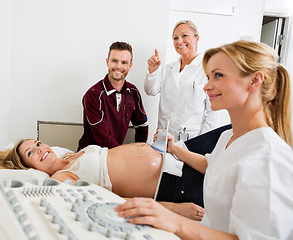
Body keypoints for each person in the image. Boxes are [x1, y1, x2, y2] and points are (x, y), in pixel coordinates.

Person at [115, 40, 293, 239]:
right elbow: (213, 165)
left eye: (218, 75)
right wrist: (175, 149)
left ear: (254, 80)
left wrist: (174, 220)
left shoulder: (268, 158)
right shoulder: (229, 136)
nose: (206, 86)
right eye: (208, 77)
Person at [0, 139, 204, 220]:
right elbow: (107, 202)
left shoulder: (67, 155)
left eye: (38, 144)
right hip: (173, 184)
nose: (40, 150)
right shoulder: (61, 178)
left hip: (177, 157)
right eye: (31, 153)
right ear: (29, 167)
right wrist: (171, 209)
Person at [144, 20, 221, 142]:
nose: (179, 41)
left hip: (191, 141)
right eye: (175, 38)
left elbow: (213, 113)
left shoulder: (207, 70)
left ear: (196, 38)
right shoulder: (168, 69)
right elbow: (150, 90)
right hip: (163, 138)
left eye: (184, 36)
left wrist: (201, 142)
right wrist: (153, 71)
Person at [77, 41, 148, 151]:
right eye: (114, 61)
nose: (118, 66)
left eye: (124, 62)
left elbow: (141, 125)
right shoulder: (94, 94)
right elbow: (102, 137)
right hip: (91, 155)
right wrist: (124, 155)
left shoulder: (133, 92)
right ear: (107, 62)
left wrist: (140, 151)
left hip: (115, 155)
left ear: (130, 66)